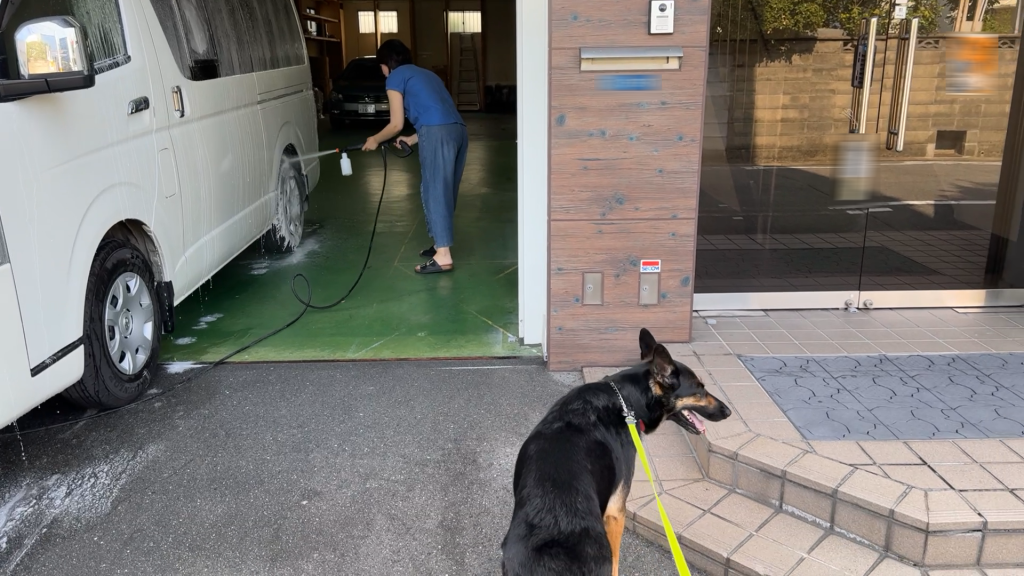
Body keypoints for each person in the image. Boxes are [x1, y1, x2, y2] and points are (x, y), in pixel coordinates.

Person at [362, 39, 468, 275]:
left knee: (434, 189)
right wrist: (412, 139)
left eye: (381, 65)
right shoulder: (427, 75)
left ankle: (443, 255)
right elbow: (438, 113)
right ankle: (440, 244)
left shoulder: (395, 77)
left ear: (387, 63)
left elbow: (396, 124)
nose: (382, 71)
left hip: (437, 133)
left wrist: (375, 139)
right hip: (459, 131)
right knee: (446, 189)